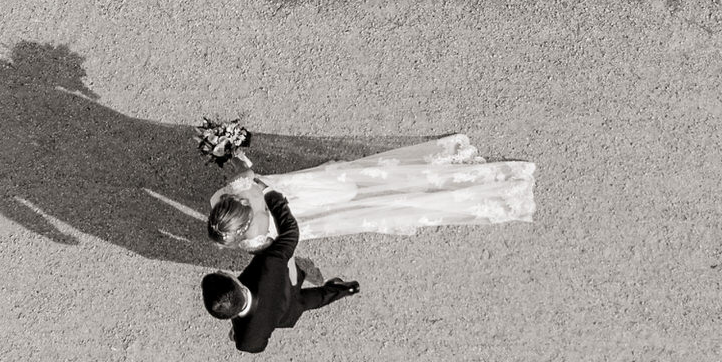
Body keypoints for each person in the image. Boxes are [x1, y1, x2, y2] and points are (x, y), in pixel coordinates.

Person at [206, 133, 535, 250]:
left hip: (304, 215)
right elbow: (250, 174)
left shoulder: (255, 238)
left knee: (352, 202)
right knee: (345, 185)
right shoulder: (223, 194)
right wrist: (240, 158)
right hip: (296, 189)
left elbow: (278, 243)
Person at [201, 187, 360, 353]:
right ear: (238, 284)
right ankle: (342, 287)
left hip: (287, 312)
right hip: (287, 281)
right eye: (224, 274)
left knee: (312, 300)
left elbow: (257, 346)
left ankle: (346, 289)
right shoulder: (270, 264)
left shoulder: (247, 341)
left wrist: (238, 332)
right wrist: (273, 197)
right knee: (307, 292)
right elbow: (291, 233)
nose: (221, 271)